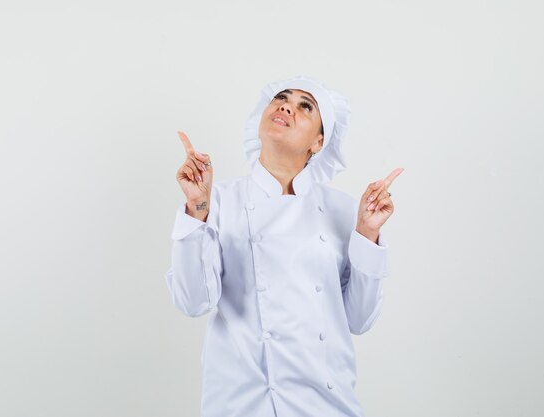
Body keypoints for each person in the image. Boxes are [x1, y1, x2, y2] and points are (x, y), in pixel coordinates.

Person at [165, 75, 404, 417]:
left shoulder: (343, 210)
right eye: (281, 98)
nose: (286, 106)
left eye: (305, 106)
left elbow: (360, 319)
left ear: (319, 141)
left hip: (325, 402)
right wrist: (196, 209)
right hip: (242, 401)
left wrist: (367, 233)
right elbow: (193, 302)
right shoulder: (217, 200)